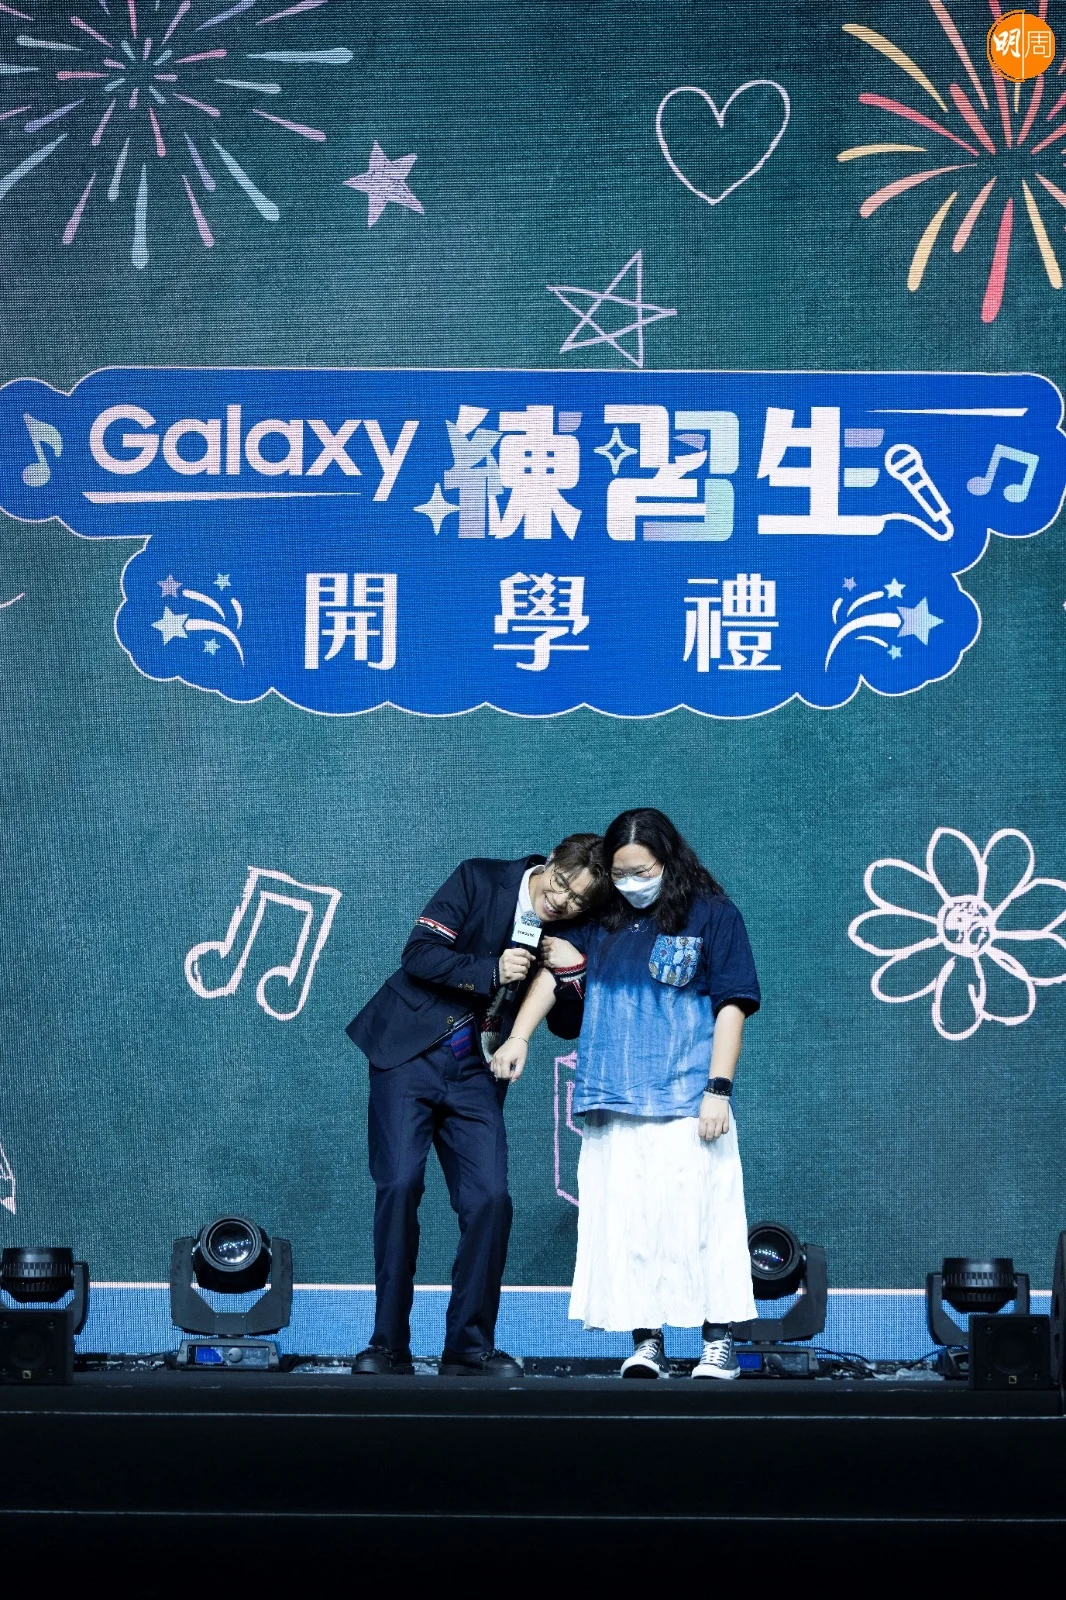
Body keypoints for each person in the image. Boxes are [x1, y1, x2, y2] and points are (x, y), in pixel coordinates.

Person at [491, 808, 761, 1380]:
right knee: (631, 1226)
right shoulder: (600, 919)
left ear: (669, 861)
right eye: (620, 873)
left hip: (687, 1099)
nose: (631, 882)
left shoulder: (714, 915)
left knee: (702, 1221)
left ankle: (718, 1343)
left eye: (643, 871)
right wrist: (519, 1037)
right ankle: (648, 1342)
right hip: (611, 1096)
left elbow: (732, 1005)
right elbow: (551, 975)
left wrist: (718, 1088)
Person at [346, 835, 608, 1378]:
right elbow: (418, 954)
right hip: (409, 1053)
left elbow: (566, 1025)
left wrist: (573, 972)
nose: (562, 901)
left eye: (578, 900)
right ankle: (387, 1344)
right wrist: (490, 971)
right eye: (561, 883)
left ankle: (468, 1345)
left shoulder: (572, 929)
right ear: (549, 862)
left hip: (477, 1073)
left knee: (490, 1199)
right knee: (399, 1185)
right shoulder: (479, 878)